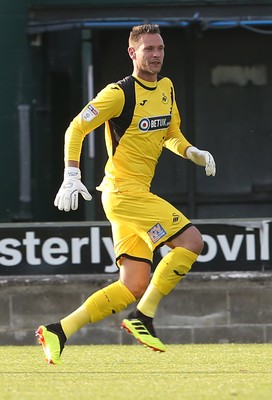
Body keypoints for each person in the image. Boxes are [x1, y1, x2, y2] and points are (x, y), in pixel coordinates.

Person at [36, 23, 216, 364]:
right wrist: (71, 173)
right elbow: (77, 126)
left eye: (160, 48)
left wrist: (193, 152)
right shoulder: (118, 93)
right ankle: (142, 318)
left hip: (130, 197)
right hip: (123, 192)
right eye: (149, 49)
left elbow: (171, 133)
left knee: (132, 285)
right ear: (132, 52)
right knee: (192, 241)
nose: (157, 55)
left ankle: (58, 330)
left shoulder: (166, 88)